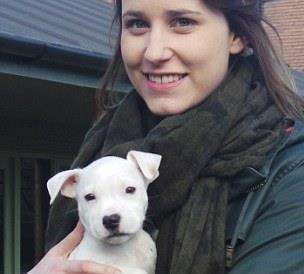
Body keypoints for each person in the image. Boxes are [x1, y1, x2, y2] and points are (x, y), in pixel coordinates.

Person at [29, 0, 304, 273]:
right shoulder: (101, 149)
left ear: (237, 35)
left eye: (183, 22)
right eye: (137, 24)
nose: (154, 52)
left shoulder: (290, 171)